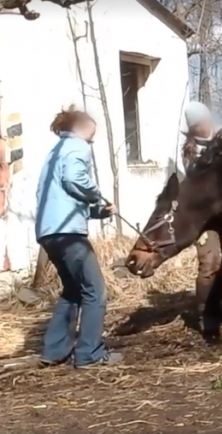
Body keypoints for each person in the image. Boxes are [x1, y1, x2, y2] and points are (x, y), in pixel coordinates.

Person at [35, 106, 121, 368]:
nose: (92, 141)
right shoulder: (76, 146)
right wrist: (98, 195)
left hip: (49, 233)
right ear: (80, 128)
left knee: (73, 290)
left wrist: (97, 211)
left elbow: (66, 195)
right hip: (69, 235)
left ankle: (54, 351)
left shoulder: (54, 153)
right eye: (92, 135)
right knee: (95, 290)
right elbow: (75, 179)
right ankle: (89, 354)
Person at [171, 101, 222, 328]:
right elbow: (198, 179)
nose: (201, 127)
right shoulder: (189, 152)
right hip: (203, 218)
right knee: (209, 262)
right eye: (196, 125)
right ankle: (205, 313)